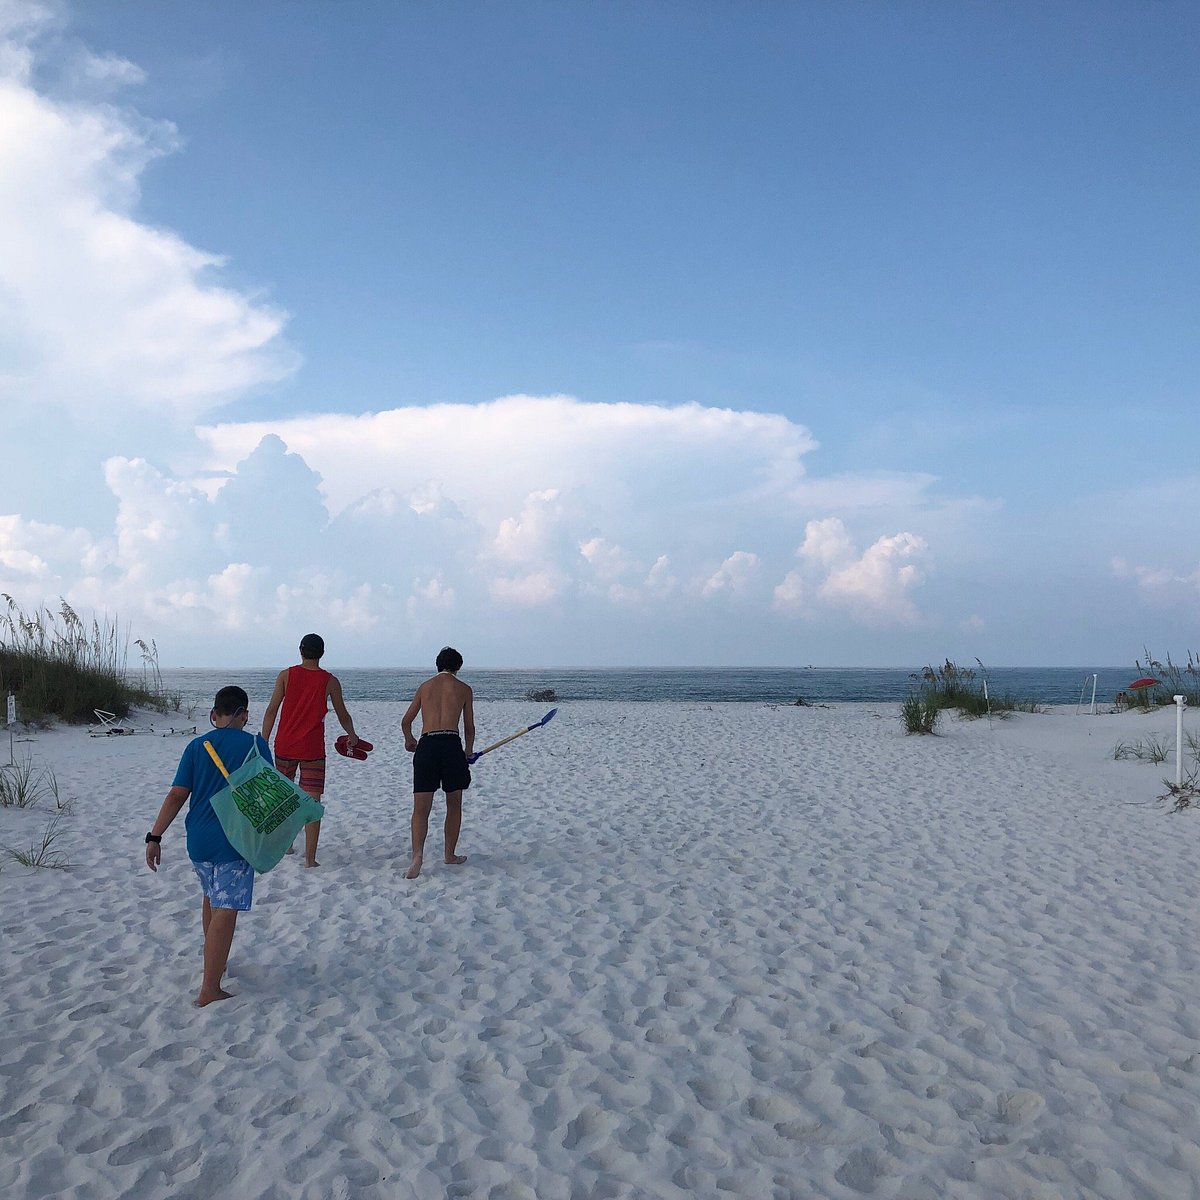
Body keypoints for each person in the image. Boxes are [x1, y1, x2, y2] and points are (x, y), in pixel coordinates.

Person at [145, 685, 272, 1007]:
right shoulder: (256, 745)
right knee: (226, 909)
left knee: (211, 897)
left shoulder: (196, 746)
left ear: (214, 715)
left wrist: (155, 836)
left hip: (198, 839)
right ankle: (210, 988)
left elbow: (176, 795)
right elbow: (268, 793)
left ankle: (218, 963)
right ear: (244, 715)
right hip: (235, 839)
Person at [260, 633, 360, 868]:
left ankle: (286, 845)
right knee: (312, 803)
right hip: (312, 749)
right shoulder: (330, 681)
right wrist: (352, 735)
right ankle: (310, 858)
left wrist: (264, 739)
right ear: (322, 653)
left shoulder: (286, 675)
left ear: (300, 651)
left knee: (283, 797)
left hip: (285, 745)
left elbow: (272, 710)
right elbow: (342, 714)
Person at [401, 646, 475, 879]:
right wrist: (468, 751)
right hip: (451, 744)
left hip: (427, 745)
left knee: (420, 809)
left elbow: (406, 721)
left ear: (438, 665)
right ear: (458, 667)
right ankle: (449, 855)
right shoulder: (464, 689)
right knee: (454, 804)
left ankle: (417, 856)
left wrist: (409, 739)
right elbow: (469, 727)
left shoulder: (425, 687)